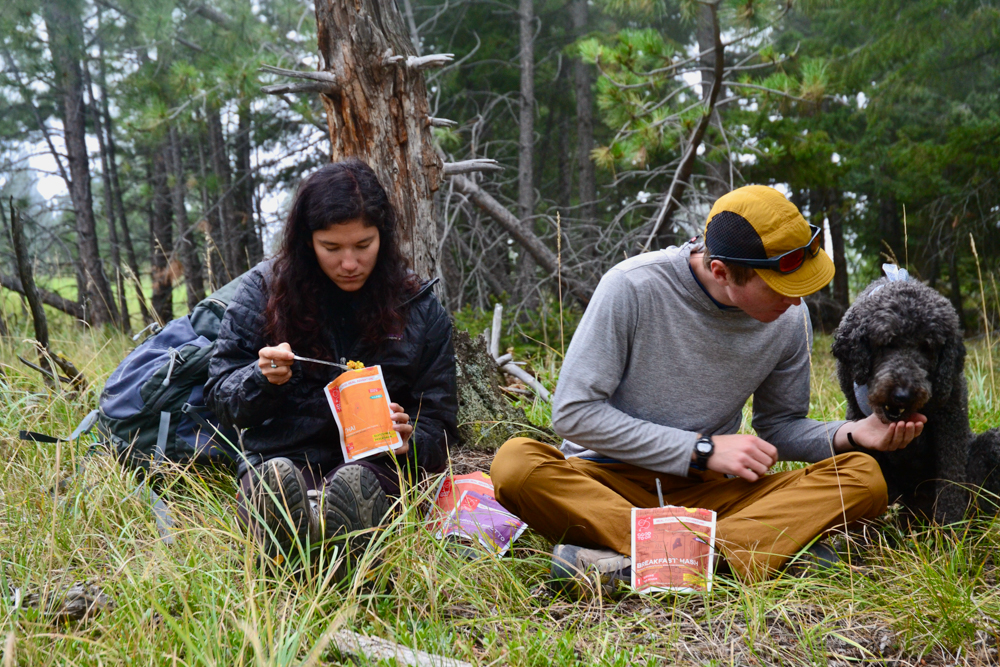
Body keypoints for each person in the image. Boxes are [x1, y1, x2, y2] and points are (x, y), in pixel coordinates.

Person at [490, 185, 926, 590]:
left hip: (710, 491)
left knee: (864, 478)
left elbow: (780, 425)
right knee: (515, 465)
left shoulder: (789, 320)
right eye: (781, 288)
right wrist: (700, 450)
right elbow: (573, 414)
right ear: (721, 271)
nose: (796, 301)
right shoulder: (633, 287)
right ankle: (740, 557)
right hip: (604, 483)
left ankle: (639, 563)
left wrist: (853, 434)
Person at [206, 159, 458, 565]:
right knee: (277, 484)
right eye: (332, 247)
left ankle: (341, 551)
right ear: (308, 241)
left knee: (358, 485)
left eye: (363, 245)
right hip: (282, 457)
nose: (349, 263)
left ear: (384, 237)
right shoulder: (265, 291)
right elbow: (220, 397)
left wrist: (411, 438)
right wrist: (260, 378)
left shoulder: (418, 306)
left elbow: (442, 422)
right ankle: (290, 539)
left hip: (377, 464)